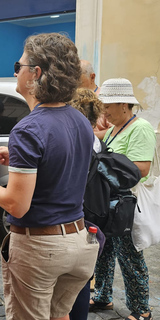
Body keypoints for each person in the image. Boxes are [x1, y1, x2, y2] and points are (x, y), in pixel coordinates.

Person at [0, 33, 99, 320]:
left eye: (17, 66)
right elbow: (64, 162)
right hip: (79, 241)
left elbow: (17, 204)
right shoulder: (80, 120)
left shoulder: (28, 128)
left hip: (41, 248)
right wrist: (20, 161)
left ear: (36, 73)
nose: (15, 72)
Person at [90, 78, 155, 320]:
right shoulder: (116, 128)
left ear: (124, 105)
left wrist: (106, 163)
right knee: (104, 251)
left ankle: (142, 310)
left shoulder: (141, 128)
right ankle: (103, 296)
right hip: (110, 202)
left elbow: (142, 168)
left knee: (129, 257)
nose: (104, 111)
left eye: (108, 106)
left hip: (127, 204)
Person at [68, 88, 104, 320]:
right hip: (91, 211)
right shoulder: (94, 140)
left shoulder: (77, 138)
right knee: (82, 277)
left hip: (77, 213)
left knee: (74, 281)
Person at [79, 60, 112, 139]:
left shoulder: (105, 98)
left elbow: (116, 130)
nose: (73, 81)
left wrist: (90, 137)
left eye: (78, 78)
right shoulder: (69, 98)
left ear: (92, 77)